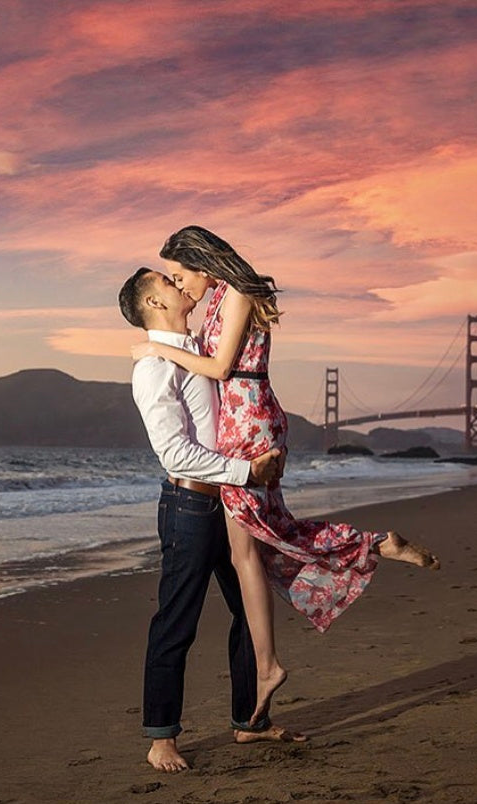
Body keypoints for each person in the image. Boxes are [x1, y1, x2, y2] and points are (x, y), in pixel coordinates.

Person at [132, 225, 441, 726]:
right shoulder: (215, 299)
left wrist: (156, 349)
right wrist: (161, 343)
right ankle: (373, 548)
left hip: (248, 419)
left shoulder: (236, 293)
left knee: (250, 548)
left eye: (179, 273)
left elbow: (217, 367)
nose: (179, 283)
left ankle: (270, 664)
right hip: (241, 419)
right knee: (264, 539)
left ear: (202, 263)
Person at [118, 267, 305, 773]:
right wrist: (247, 470)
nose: (179, 285)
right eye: (166, 282)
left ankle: (251, 722)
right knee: (177, 621)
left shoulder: (196, 350)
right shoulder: (155, 369)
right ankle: (161, 737)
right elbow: (175, 452)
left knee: (250, 609)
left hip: (229, 502)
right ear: (153, 303)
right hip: (190, 506)